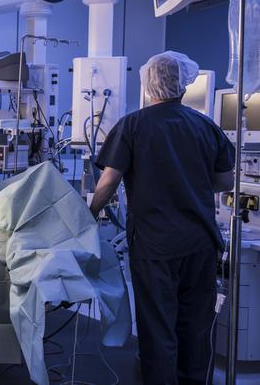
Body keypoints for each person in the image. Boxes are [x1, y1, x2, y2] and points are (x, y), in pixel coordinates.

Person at [89, 51, 235, 385]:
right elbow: (225, 183)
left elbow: (108, 182)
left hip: (155, 246)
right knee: (196, 328)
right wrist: (189, 182)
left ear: (148, 83)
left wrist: (86, 217)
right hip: (200, 244)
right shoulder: (206, 127)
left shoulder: (133, 125)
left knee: (158, 326)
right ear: (184, 84)